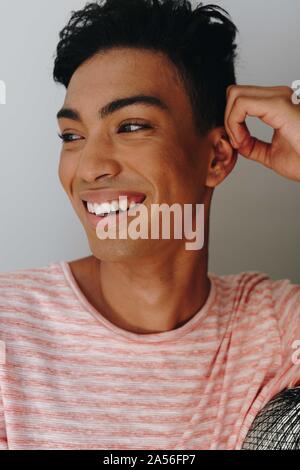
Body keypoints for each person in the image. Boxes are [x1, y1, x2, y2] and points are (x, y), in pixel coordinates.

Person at [0, 0, 299, 450]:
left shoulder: (275, 327)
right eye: (71, 137)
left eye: (132, 125)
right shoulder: (9, 331)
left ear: (216, 157)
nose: (90, 167)